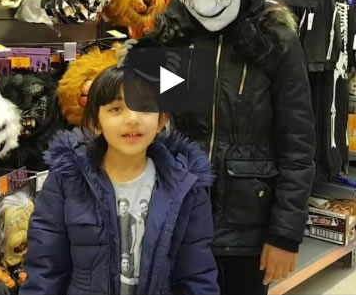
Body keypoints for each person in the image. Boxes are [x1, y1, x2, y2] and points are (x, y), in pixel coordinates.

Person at [147, 0, 317, 295]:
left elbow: (297, 143)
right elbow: (148, 123)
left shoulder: (277, 41)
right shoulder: (170, 37)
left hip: (247, 231)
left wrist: (285, 234)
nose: (203, 4)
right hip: (178, 222)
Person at [21, 66, 219, 295]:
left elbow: (196, 275)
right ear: (96, 122)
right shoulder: (67, 180)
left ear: (161, 119)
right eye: (116, 109)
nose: (132, 119)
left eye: (144, 107)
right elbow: (45, 268)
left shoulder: (185, 187)